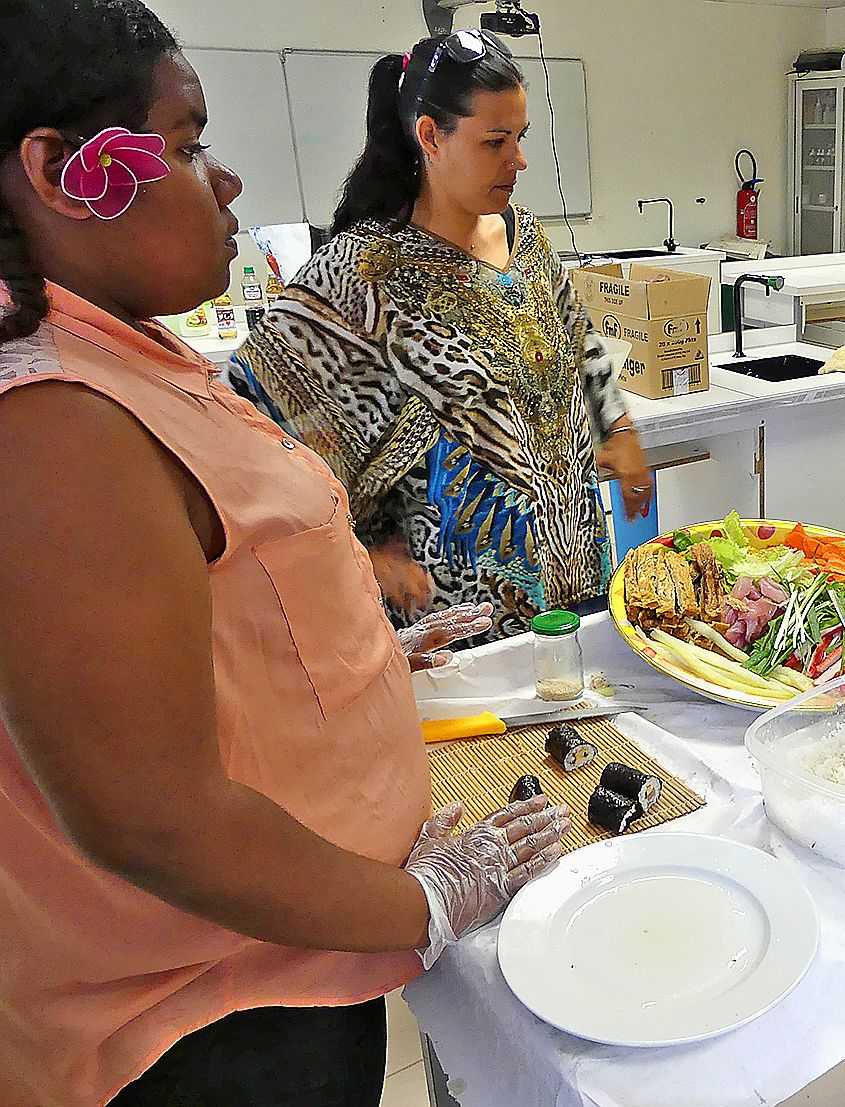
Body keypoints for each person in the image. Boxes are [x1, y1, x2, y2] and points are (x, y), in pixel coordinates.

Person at [0, 3, 570, 1104]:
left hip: (281, 967)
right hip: (204, 1021)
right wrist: (428, 903)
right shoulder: (52, 422)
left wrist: (361, 645)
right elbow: (150, 819)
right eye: (186, 142)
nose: (225, 184)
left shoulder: (127, 355)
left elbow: (205, 618)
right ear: (63, 171)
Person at [230, 29, 653, 641]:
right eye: (494, 141)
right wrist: (357, 559)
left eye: (521, 138)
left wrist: (618, 427)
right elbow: (248, 430)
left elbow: (579, 342)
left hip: (575, 591)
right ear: (431, 137)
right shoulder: (362, 275)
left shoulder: (522, 236)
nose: (519, 160)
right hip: (457, 623)